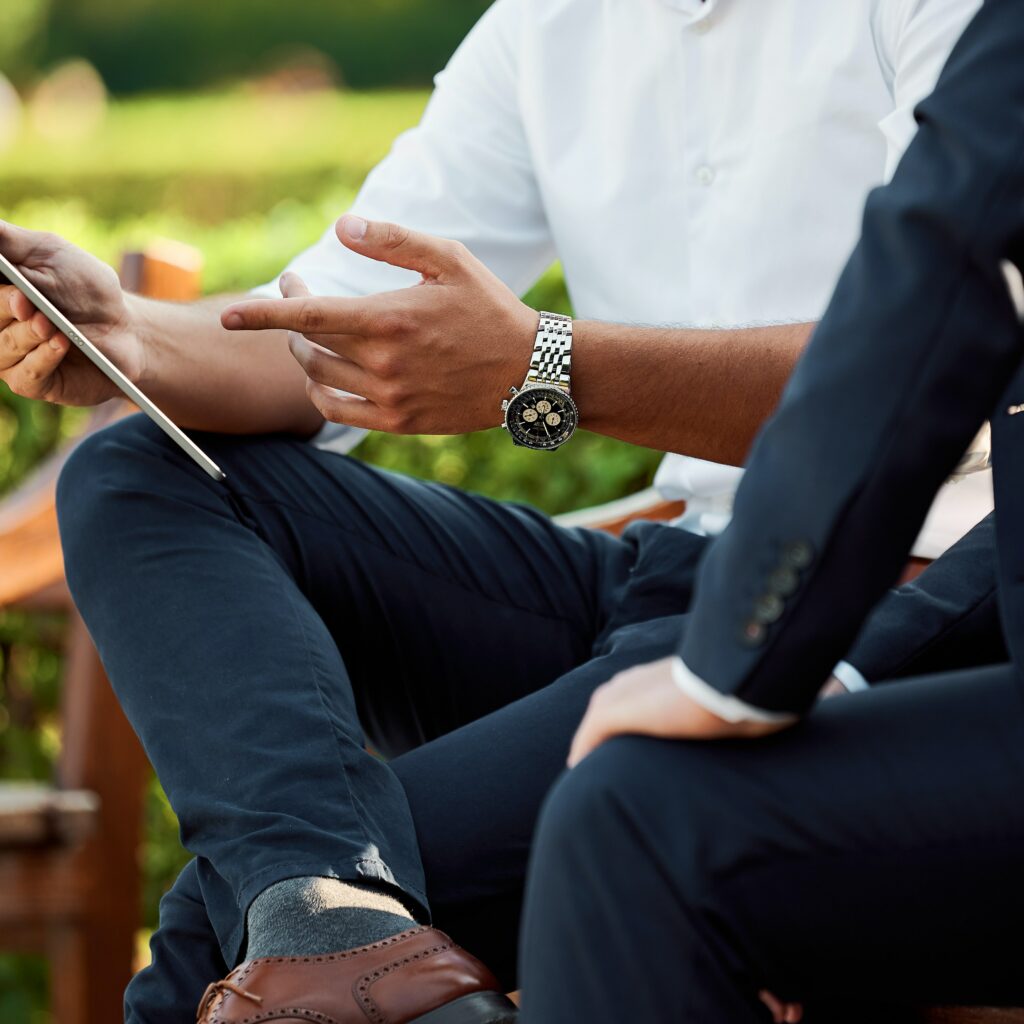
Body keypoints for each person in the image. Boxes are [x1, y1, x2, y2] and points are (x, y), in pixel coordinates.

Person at [0, 0, 990, 1020]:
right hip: (664, 577)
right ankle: (330, 911)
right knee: (135, 470)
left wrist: (544, 367)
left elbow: (930, 365)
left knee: (219, 943)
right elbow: (331, 329)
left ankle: (328, 923)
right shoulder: (548, 23)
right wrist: (129, 333)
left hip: (889, 599)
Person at [517, 0, 1024, 1019]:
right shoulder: (536, 31)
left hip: (797, 609)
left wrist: (733, 668)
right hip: (685, 584)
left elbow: (941, 269)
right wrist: (829, 664)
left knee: (634, 823)